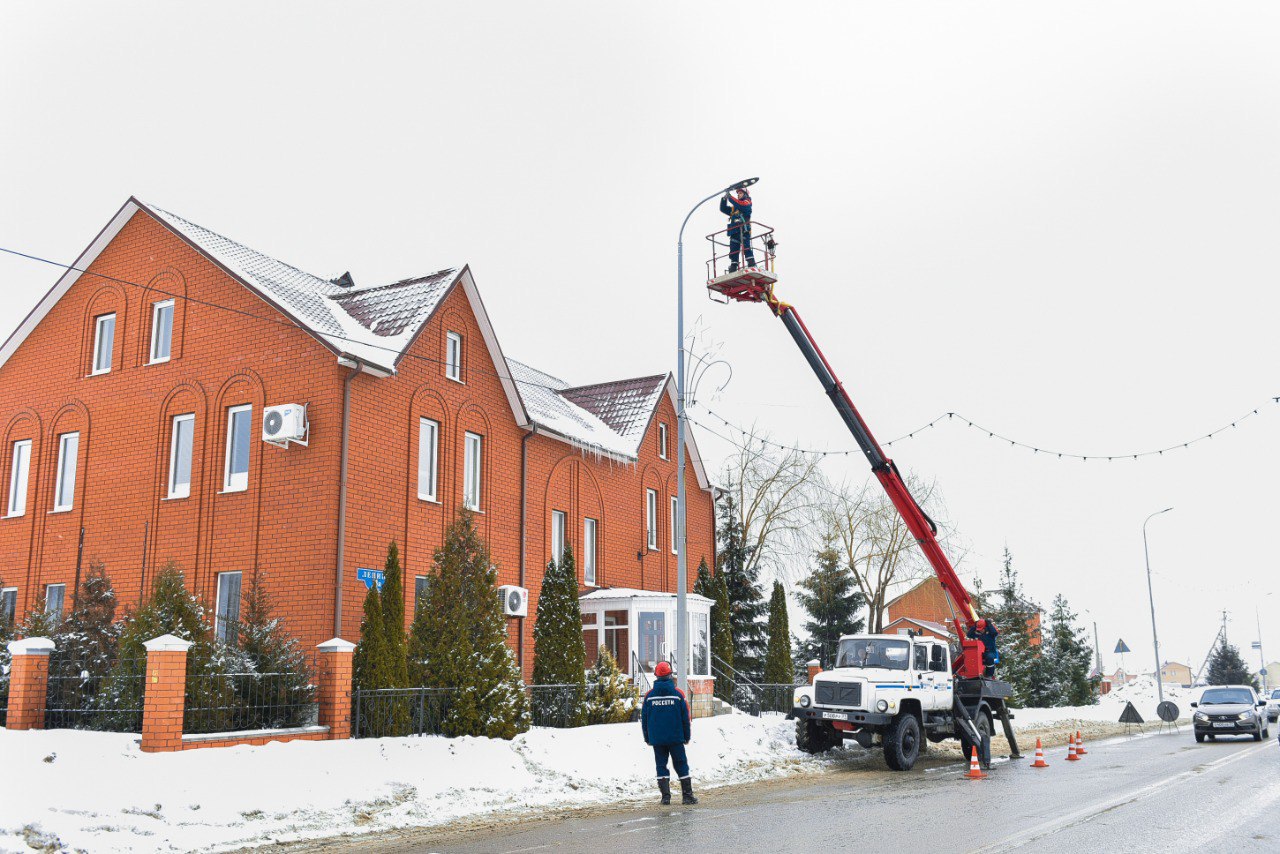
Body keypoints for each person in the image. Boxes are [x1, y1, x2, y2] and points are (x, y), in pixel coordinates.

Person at [640, 661, 697, 805]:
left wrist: (648, 738)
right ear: (670, 675)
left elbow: (645, 720)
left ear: (656, 676)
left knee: (661, 765)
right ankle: (687, 796)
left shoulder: (649, 696)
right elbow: (686, 718)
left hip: (657, 740)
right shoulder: (678, 695)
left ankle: (665, 797)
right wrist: (687, 736)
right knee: (681, 764)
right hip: (676, 738)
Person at [719, 187, 755, 272]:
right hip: (734, 231)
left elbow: (740, 204)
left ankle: (751, 262)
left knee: (746, 247)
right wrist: (724, 199)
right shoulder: (734, 208)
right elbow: (723, 209)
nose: (738, 195)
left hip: (744, 230)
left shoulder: (747, 203)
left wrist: (730, 197)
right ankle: (733, 265)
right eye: (738, 194)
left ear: (745, 195)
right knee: (733, 249)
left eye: (740, 193)